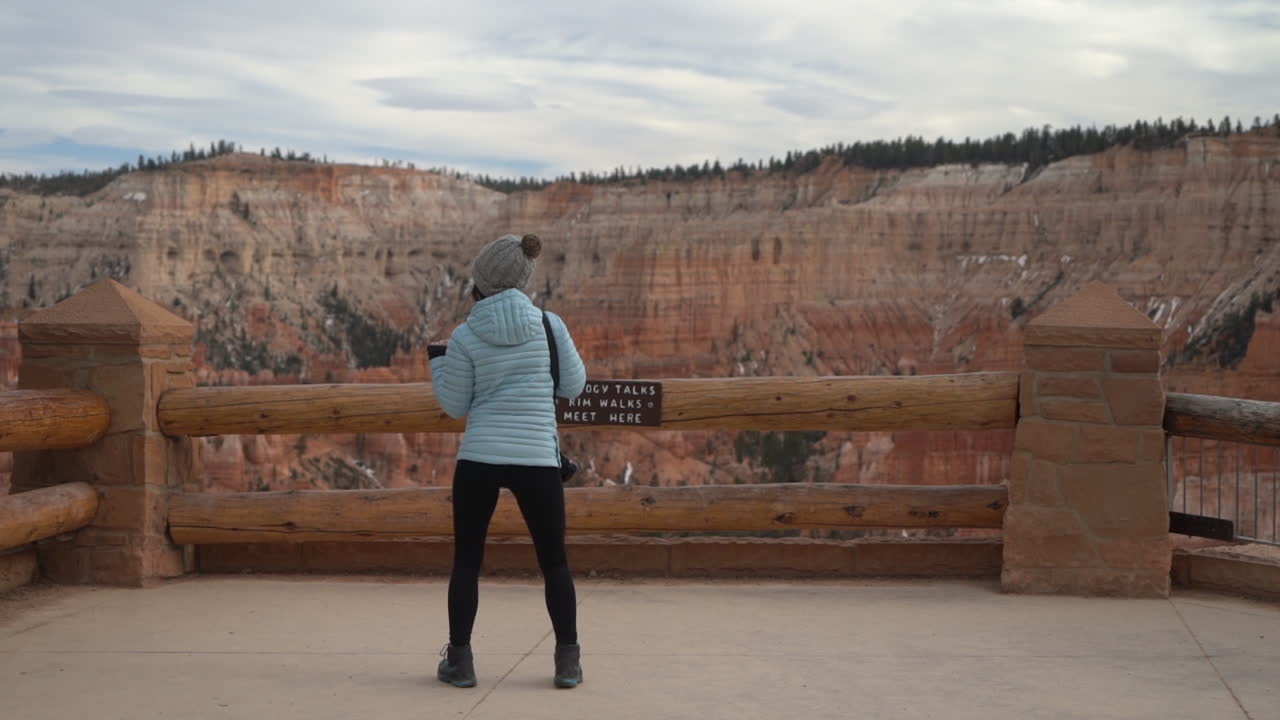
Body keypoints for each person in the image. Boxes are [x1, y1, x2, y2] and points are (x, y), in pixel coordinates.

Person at [428, 233, 588, 689]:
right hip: (537, 457)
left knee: (467, 562)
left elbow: (456, 405)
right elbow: (574, 385)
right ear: (522, 278)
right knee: (554, 562)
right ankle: (567, 662)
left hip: (480, 457)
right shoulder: (549, 326)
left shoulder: (465, 335)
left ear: (481, 280)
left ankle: (459, 662)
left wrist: (440, 364)